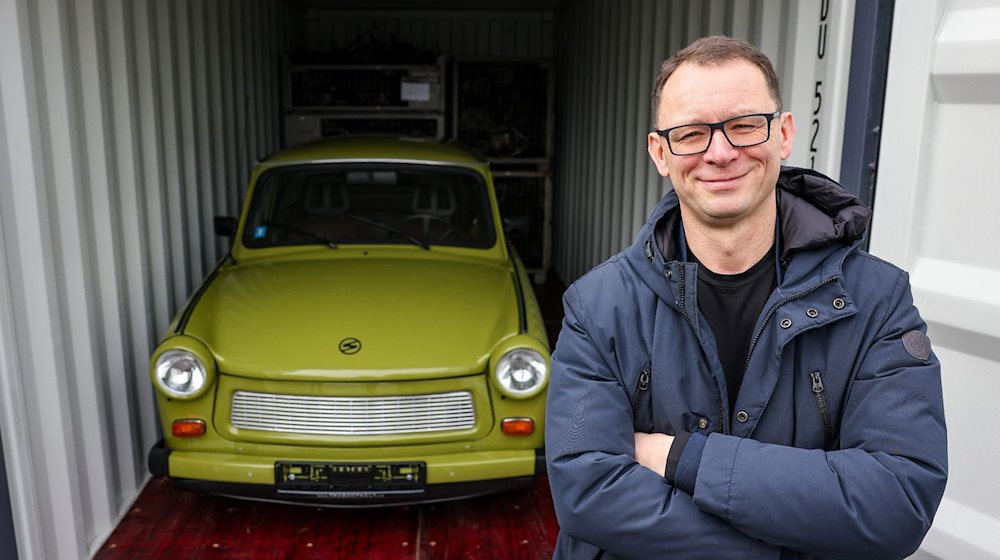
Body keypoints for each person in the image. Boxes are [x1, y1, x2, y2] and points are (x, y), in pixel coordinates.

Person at [545, 35, 947, 559]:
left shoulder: (876, 301)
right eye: (691, 133)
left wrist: (682, 458)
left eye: (744, 125)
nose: (719, 152)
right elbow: (587, 494)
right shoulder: (598, 307)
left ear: (784, 133)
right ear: (660, 153)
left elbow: (897, 502)